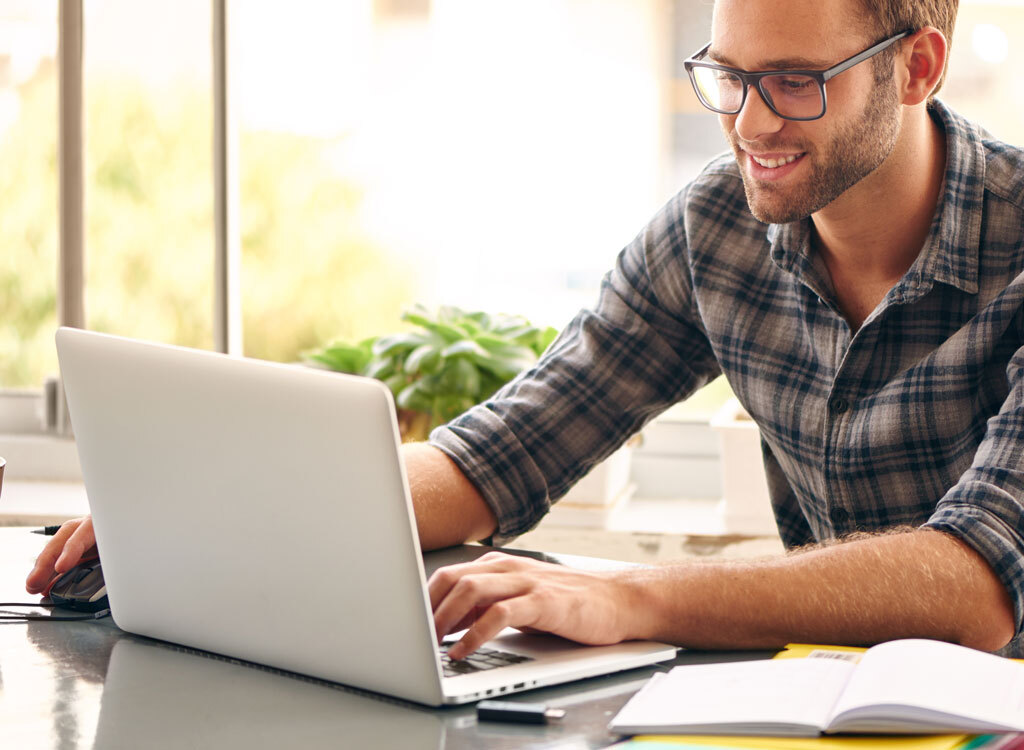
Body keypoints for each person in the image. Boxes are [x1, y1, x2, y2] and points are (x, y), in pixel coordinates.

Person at [28, 0, 1024, 660]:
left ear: (917, 67)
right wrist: (203, 512)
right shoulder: (714, 227)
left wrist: (628, 594)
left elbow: (980, 584)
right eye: (727, 76)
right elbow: (499, 453)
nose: (748, 124)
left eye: (795, 82)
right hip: (827, 706)